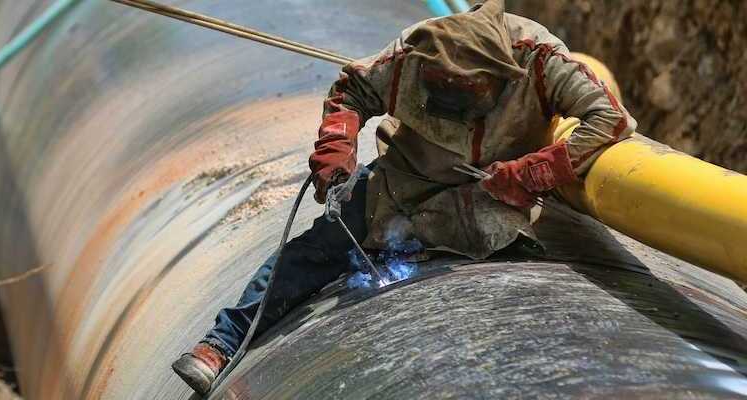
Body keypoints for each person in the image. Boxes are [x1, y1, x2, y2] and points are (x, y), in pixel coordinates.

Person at [170, 0, 636, 394]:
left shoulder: (538, 59)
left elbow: (611, 120)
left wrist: (532, 173)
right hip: (403, 181)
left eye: (464, 92)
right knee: (314, 252)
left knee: (515, 276)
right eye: (442, 89)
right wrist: (337, 148)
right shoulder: (414, 51)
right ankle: (222, 342)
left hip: (488, 197)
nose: (451, 102)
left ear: (499, 77)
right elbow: (350, 90)